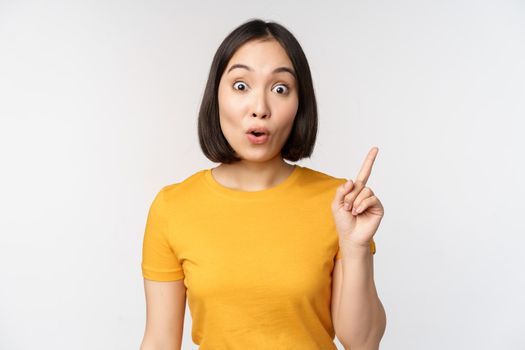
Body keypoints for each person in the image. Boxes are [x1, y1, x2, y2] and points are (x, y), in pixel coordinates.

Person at [140, 18, 386, 350]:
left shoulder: (339, 203)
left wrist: (355, 249)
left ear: (300, 104)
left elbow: (363, 342)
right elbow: (159, 341)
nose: (260, 108)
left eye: (280, 88)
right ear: (216, 95)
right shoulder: (173, 207)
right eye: (241, 86)